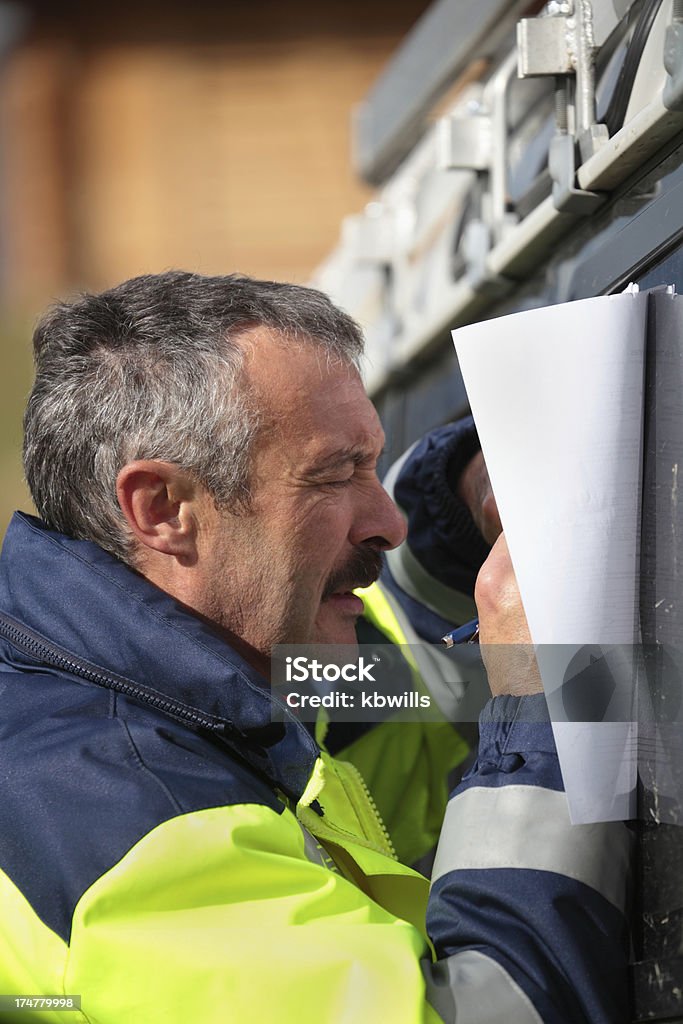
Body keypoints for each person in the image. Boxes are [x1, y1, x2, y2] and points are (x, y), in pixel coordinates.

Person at [0, 271, 630, 1023]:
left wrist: (459, 516)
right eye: (335, 474)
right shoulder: (132, 818)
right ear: (163, 508)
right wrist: (547, 698)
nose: (387, 523)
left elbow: (413, 707)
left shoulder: (214, 689)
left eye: (372, 464)